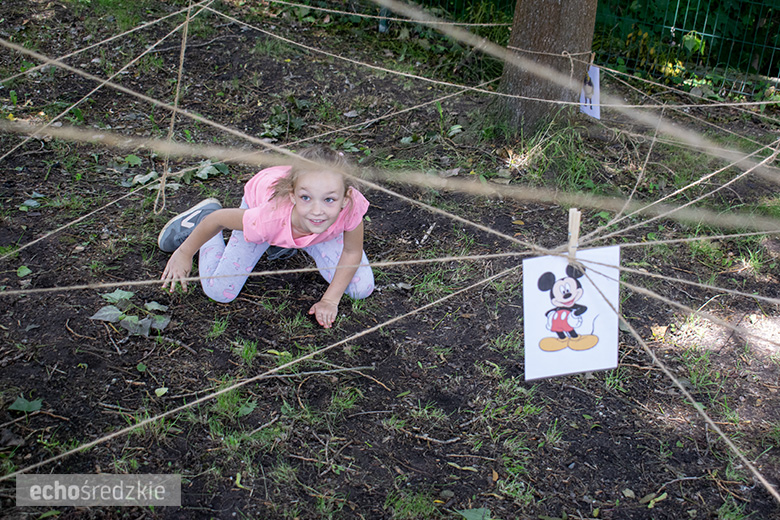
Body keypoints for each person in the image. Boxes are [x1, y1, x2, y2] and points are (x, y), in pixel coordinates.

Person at [158, 146, 374, 328]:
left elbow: (351, 251)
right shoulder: (267, 219)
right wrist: (184, 253)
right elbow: (218, 220)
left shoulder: (350, 206)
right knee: (219, 291)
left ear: (345, 199)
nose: (317, 210)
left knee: (360, 288)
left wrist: (330, 300)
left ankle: (285, 242)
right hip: (264, 214)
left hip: (308, 229)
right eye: (306, 197)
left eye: (329, 200)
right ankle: (200, 217)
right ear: (293, 195)